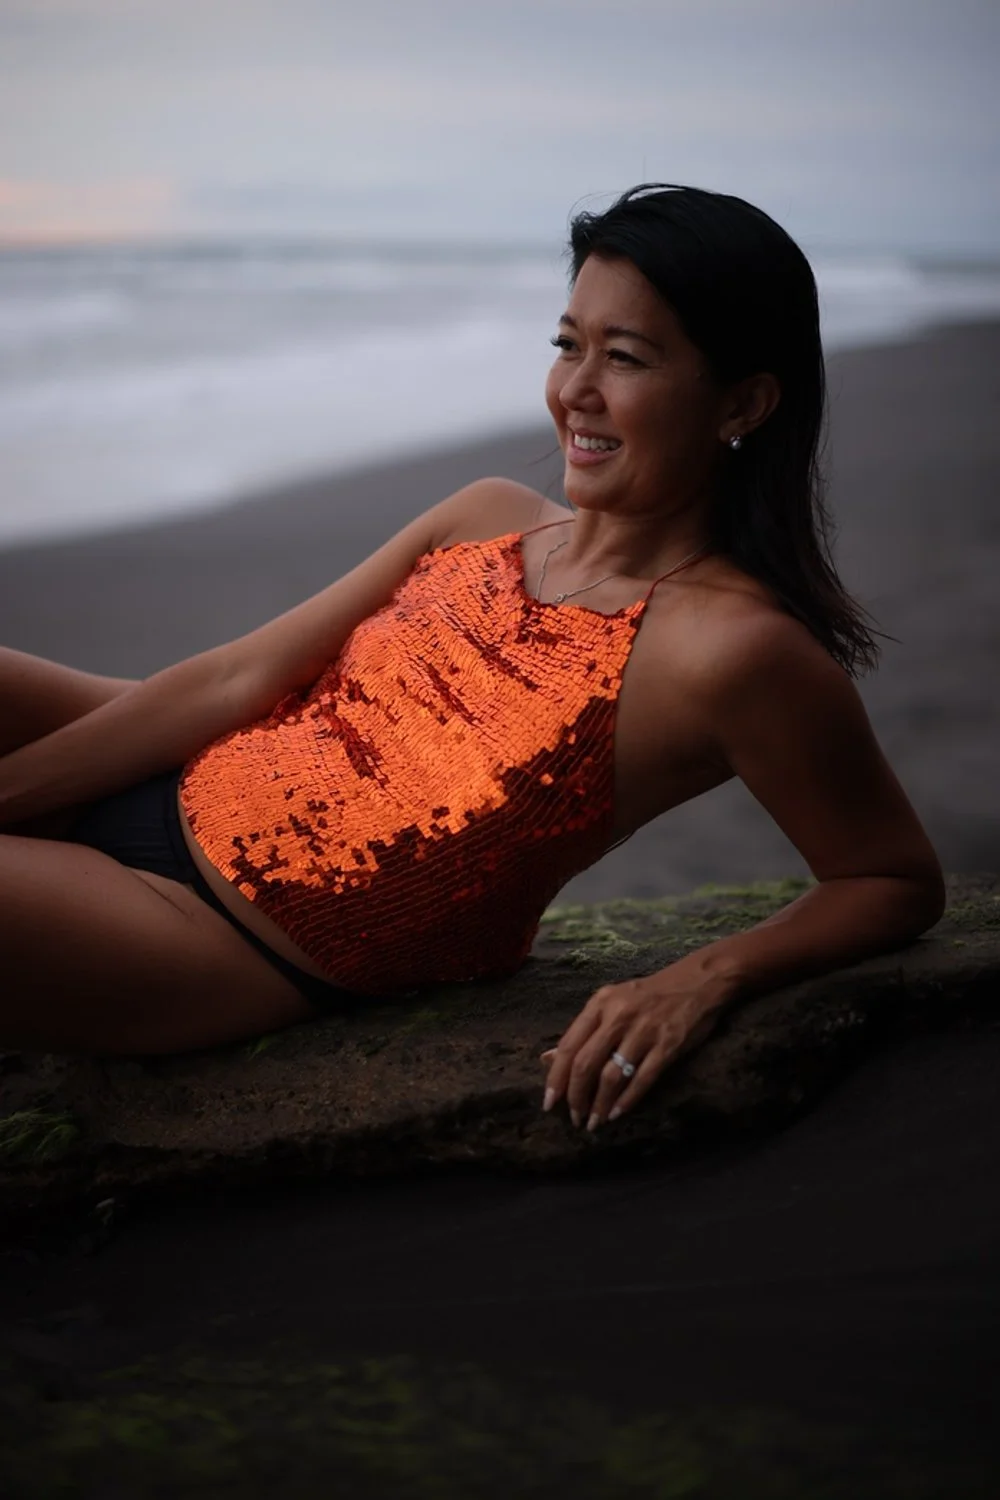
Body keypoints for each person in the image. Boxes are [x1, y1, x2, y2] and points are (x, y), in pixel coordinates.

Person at [0, 184, 945, 1133]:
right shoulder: (486, 516)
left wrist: (701, 974)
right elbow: (239, 679)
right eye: (568, 343)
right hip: (193, 768)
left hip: (212, 937)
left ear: (742, 401)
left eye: (625, 358)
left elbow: (890, 879)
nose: (576, 389)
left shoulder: (735, 651)